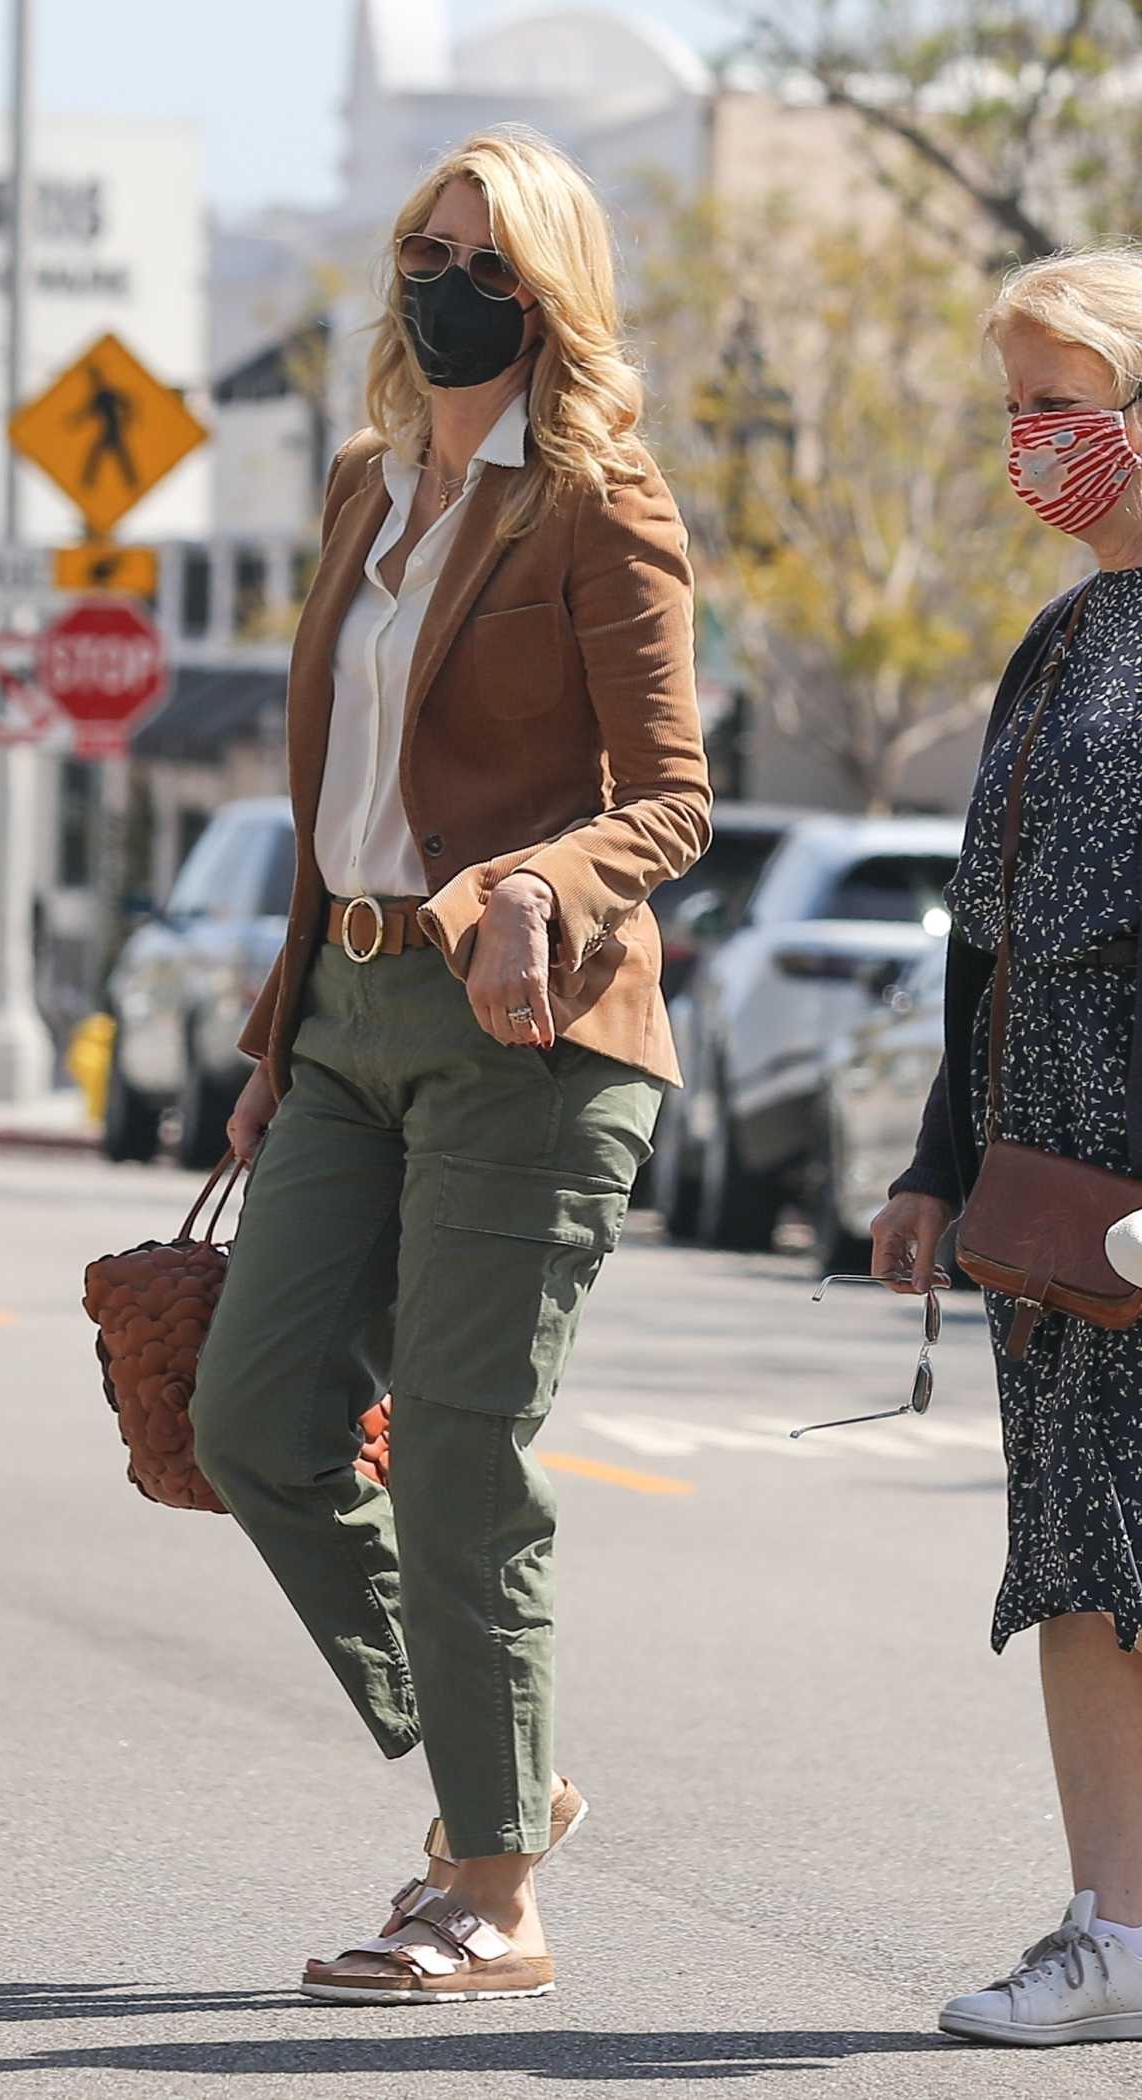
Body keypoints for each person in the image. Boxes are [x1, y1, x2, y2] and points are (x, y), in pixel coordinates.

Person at [189, 126, 710, 2005]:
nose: (449, 283)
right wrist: (274, 1042)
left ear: (551, 293)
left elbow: (670, 797)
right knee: (249, 1418)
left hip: (537, 1034)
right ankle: (513, 1771)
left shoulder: (598, 497)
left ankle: (489, 1888)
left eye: (490, 261)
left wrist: (529, 886)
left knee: (463, 1454)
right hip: (346, 1027)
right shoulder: (362, 483)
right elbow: (335, 802)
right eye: (430, 247)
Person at [876, 245, 1142, 2049]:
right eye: (1016, 409)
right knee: (1081, 1557)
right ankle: (1113, 1930)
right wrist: (930, 1168)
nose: (1035, 442)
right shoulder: (1055, 647)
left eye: (1068, 400)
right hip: (1056, 1198)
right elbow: (981, 938)